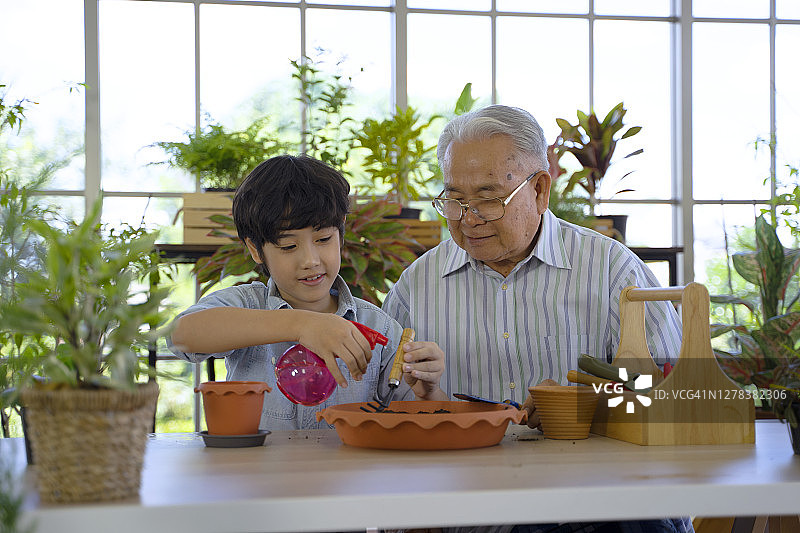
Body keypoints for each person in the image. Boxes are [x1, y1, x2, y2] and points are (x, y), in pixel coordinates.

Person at [382, 105, 691, 533]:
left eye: (489, 199)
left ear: (541, 189)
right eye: (455, 200)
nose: (468, 219)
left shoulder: (612, 272)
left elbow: (679, 400)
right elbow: (382, 406)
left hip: (598, 513)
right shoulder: (417, 285)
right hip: (469, 519)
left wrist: (587, 407)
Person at [168, 154, 447, 431]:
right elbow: (181, 335)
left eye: (324, 239)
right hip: (258, 474)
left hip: (349, 474)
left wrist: (428, 393)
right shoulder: (247, 304)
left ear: (341, 235)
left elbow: (426, 430)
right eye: (289, 246)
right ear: (255, 249)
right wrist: (302, 325)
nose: (311, 260)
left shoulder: (378, 326)